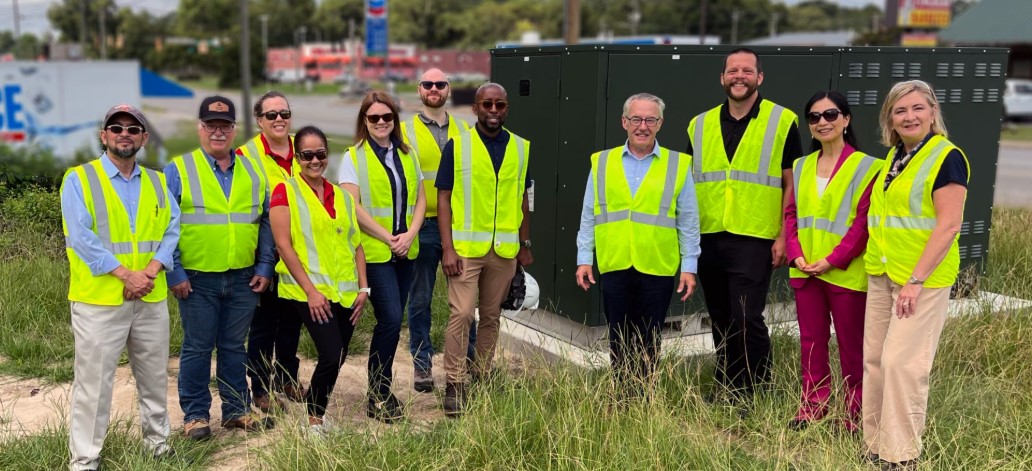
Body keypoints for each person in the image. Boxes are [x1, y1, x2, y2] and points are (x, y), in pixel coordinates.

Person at [61, 105, 179, 471]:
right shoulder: (79, 178)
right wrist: (127, 275)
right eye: (116, 127)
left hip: (150, 296)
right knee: (94, 384)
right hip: (99, 301)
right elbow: (81, 237)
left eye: (133, 128)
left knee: (154, 378)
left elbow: (172, 230)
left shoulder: (158, 181)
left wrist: (150, 271)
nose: (124, 133)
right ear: (104, 135)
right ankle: (85, 460)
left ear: (144, 138)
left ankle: (158, 446)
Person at [686, 48, 803, 405]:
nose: (739, 76)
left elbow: (791, 183)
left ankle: (754, 389)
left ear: (759, 77)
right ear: (722, 78)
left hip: (755, 236)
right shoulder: (699, 124)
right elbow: (687, 184)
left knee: (746, 315)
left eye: (747, 71)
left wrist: (784, 235)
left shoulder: (782, 120)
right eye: (733, 70)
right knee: (720, 316)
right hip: (709, 234)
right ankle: (726, 384)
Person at [863, 80, 969, 470]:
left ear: (933, 112)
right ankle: (874, 444)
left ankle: (901, 454)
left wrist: (916, 280)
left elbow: (948, 225)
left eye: (917, 108)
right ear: (890, 118)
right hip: (883, 271)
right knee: (875, 360)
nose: (909, 117)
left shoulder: (946, 157)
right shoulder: (895, 157)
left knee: (902, 364)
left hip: (920, 280)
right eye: (900, 110)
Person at [574, 93, 701, 395]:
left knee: (650, 336)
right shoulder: (602, 162)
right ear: (624, 122)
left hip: (657, 264)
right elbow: (589, 214)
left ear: (660, 123)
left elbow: (689, 220)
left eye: (650, 120)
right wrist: (584, 258)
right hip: (615, 261)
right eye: (636, 119)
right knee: (618, 335)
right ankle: (622, 394)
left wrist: (689, 266)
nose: (642, 126)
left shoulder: (677, 165)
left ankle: (644, 395)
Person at [165, 95, 275, 440]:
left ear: (234, 129)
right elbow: (165, 226)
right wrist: (174, 271)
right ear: (200, 128)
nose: (218, 132)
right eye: (211, 125)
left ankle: (236, 410)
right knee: (197, 347)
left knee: (233, 346)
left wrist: (265, 265)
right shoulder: (179, 169)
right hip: (196, 278)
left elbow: (266, 221)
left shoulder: (253, 171)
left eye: (224, 126)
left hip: (244, 277)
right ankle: (196, 415)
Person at [783, 91, 881, 432]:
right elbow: (791, 214)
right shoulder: (801, 166)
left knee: (852, 346)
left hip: (845, 273)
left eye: (830, 114)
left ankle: (855, 412)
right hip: (806, 270)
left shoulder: (869, 167)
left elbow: (863, 224)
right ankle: (813, 406)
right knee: (811, 342)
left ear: (846, 119)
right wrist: (795, 253)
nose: (822, 122)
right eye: (814, 117)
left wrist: (831, 260)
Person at [437, 82, 533, 416]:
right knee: (462, 314)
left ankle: (482, 374)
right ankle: (455, 382)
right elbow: (444, 197)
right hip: (465, 250)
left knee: (491, 316)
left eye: (499, 105)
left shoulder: (521, 148)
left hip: (504, 250)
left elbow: (523, 199)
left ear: (506, 108)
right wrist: (447, 248)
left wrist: (524, 244)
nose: (493, 110)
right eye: (487, 104)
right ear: (476, 108)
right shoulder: (458, 146)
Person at [271, 125, 368, 433]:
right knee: (330, 353)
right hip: (308, 292)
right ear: (297, 158)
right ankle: (314, 421)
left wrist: (364, 287)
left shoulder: (342, 196)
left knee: (339, 355)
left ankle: (317, 413)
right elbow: (284, 246)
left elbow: (356, 244)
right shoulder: (284, 191)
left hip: (346, 292)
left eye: (320, 154)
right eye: (307, 155)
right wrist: (311, 292)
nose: (315, 160)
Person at [337, 91, 425, 422]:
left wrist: (410, 234)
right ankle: (378, 393)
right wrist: (389, 238)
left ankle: (380, 389)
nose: (381, 122)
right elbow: (352, 207)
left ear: (394, 119)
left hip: (406, 250)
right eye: (373, 117)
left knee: (394, 320)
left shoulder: (407, 153)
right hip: (375, 253)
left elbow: (420, 199)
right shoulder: (353, 157)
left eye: (387, 116)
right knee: (389, 318)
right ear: (364, 120)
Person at [400, 68, 476, 394]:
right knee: (420, 299)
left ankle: (471, 360)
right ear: (420, 90)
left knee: (464, 302)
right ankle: (422, 364)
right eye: (428, 84)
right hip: (422, 226)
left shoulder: (464, 129)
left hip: (459, 226)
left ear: (448, 89)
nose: (434, 88)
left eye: (440, 84)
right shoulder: (404, 132)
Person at [238, 91, 305, 412]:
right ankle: (261, 387)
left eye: (284, 114)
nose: (279, 119)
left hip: (300, 253)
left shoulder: (303, 148)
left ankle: (287, 377)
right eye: (271, 115)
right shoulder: (245, 155)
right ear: (259, 120)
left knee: (293, 320)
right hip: (265, 254)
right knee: (264, 325)